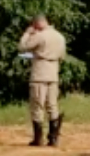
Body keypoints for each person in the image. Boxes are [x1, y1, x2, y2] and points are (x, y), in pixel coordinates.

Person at [17, 14, 67, 147]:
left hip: (40, 73)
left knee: (37, 105)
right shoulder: (60, 37)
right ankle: (54, 138)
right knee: (52, 105)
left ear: (37, 24)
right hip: (53, 73)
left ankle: (38, 139)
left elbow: (22, 47)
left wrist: (27, 34)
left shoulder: (40, 35)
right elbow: (62, 56)